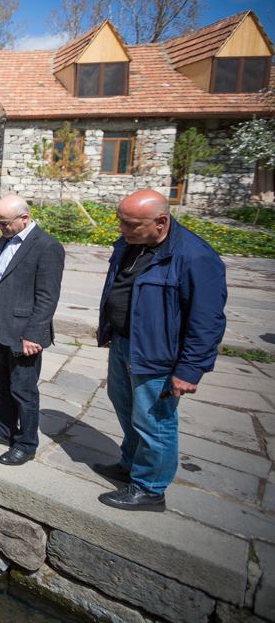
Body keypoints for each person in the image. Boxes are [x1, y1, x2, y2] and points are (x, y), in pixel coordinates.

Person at [93, 189, 226, 511]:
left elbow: (207, 320)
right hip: (124, 343)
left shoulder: (195, 257)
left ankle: (150, 488)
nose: (121, 229)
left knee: (154, 420)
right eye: (120, 221)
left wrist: (190, 370)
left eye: (130, 224)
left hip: (157, 355)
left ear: (161, 222)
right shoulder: (130, 243)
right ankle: (131, 463)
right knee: (125, 407)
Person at [0, 194, 64, 466]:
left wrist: (33, 335)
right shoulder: (6, 239)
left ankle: (26, 443)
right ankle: (4, 428)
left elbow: (47, 297)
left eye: (4, 222)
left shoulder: (47, 247)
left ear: (24, 218)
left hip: (24, 333)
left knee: (23, 391)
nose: (0, 227)